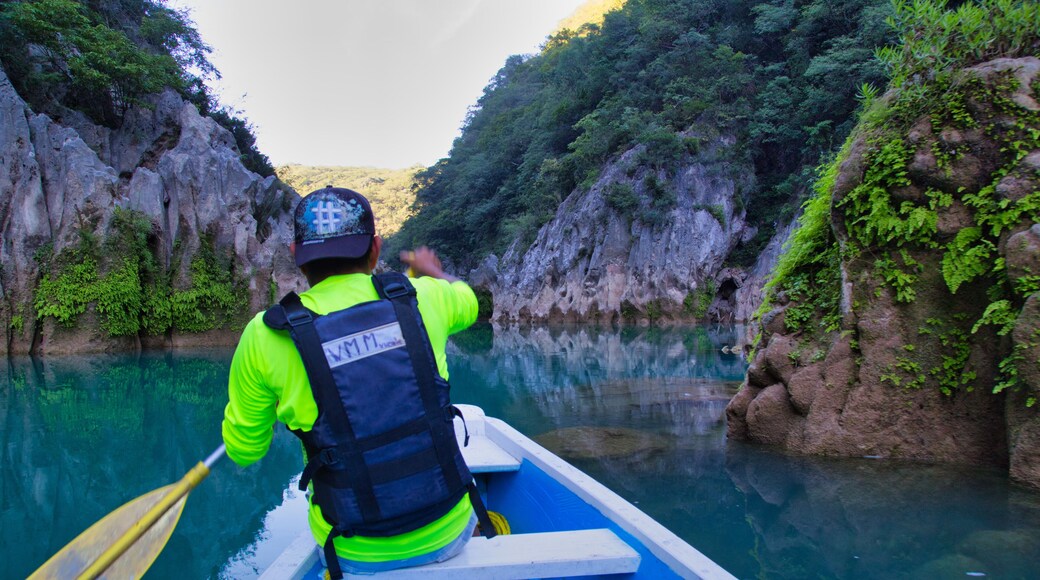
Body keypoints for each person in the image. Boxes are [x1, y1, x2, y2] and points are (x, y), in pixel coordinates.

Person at [221, 186, 493, 578]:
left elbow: (245, 452)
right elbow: (469, 301)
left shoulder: (265, 337)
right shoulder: (424, 297)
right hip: (448, 530)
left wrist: (243, 419)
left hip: (354, 550)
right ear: (376, 249)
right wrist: (434, 273)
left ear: (297, 257)